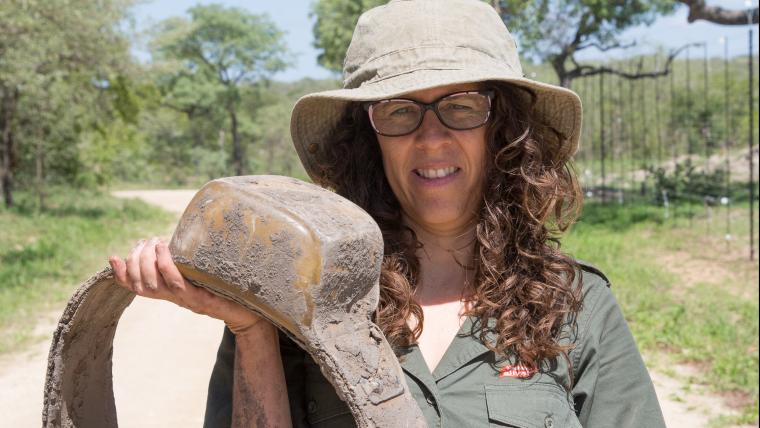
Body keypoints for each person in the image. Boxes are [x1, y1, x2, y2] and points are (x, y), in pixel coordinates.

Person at [110, 0, 666, 426]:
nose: (432, 138)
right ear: (366, 137)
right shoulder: (291, 299)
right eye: (400, 111)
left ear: (504, 128)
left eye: (461, 105)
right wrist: (252, 329)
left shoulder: (576, 305)